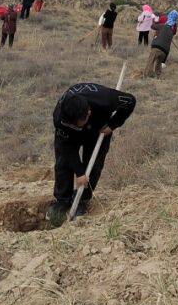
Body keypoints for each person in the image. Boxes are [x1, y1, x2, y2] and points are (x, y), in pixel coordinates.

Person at [49, 82, 136, 223]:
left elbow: (131, 101)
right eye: (81, 119)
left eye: (87, 113)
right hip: (69, 136)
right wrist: (79, 172)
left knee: (93, 166)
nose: (88, 113)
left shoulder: (106, 99)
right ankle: (62, 201)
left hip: (99, 129)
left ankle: (82, 200)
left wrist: (113, 124)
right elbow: (67, 148)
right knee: (63, 163)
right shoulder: (60, 118)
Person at [146, 11, 178, 77]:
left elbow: (152, 26)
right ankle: (157, 77)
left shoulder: (162, 26)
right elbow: (174, 32)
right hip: (165, 51)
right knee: (158, 64)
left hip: (157, 47)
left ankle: (148, 76)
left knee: (151, 62)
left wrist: (154, 20)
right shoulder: (172, 30)